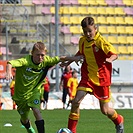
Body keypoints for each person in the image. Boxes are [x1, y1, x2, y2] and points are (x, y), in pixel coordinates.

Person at [62, 17, 124, 133]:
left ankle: (119, 120)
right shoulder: (82, 41)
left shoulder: (100, 41)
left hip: (102, 79)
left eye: (90, 31)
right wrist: (69, 61)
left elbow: (114, 54)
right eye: (85, 31)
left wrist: (110, 59)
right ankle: (71, 131)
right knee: (76, 102)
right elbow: (80, 53)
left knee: (105, 110)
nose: (88, 34)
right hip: (87, 77)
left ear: (95, 28)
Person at [6, 42, 82, 133]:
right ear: (32, 53)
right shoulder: (25, 61)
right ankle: (29, 128)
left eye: (42, 55)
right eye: (37, 55)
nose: (40, 58)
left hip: (34, 92)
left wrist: (75, 58)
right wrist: (8, 72)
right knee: (24, 119)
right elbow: (10, 63)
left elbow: (61, 58)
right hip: (20, 95)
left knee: (36, 111)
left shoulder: (46, 61)